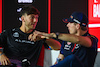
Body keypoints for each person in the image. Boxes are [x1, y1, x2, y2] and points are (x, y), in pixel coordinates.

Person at [32, 12, 98, 67]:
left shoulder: (92, 39)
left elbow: (78, 40)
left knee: (71, 58)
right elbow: (59, 60)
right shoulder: (67, 40)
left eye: (70, 23)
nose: (67, 25)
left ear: (77, 26)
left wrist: (52, 35)